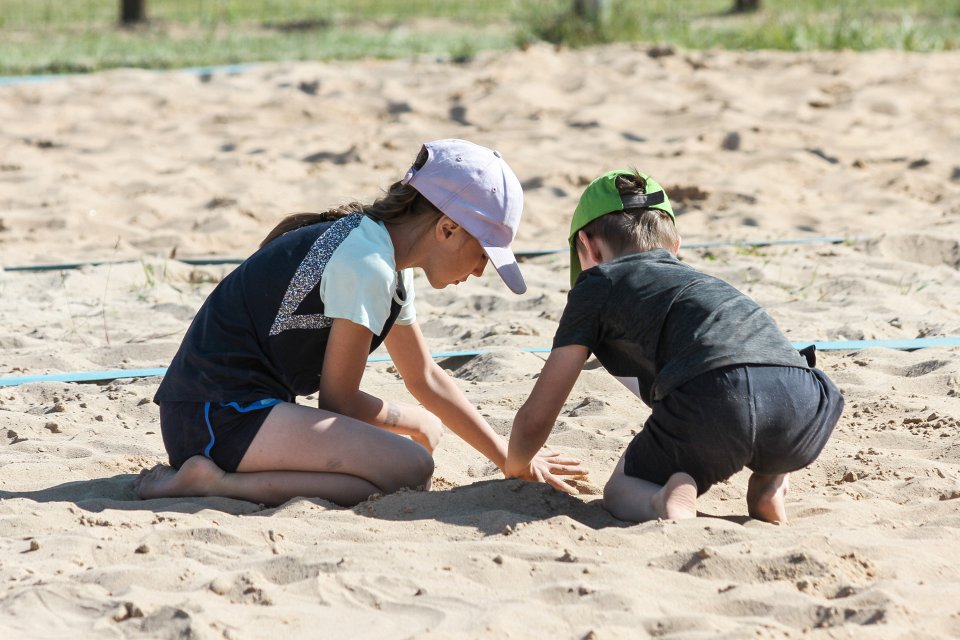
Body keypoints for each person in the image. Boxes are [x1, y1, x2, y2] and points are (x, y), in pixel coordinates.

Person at [135, 139, 583, 506]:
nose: (482, 270)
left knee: (386, 478)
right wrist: (411, 420)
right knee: (411, 467)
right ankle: (214, 484)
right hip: (216, 417)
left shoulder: (382, 255)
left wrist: (510, 458)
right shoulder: (369, 263)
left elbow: (425, 376)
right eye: (484, 253)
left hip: (220, 411)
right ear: (447, 229)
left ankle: (216, 478)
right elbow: (338, 400)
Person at [504, 169, 844, 523]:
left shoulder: (597, 284)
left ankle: (663, 499)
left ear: (588, 248)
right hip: (806, 403)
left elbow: (537, 416)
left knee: (620, 490)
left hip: (717, 399)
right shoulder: (704, 283)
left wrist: (518, 465)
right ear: (675, 246)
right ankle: (770, 483)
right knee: (761, 389)